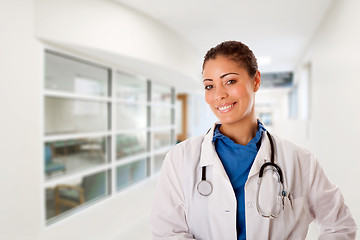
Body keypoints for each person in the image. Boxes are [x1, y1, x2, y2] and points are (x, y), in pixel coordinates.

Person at [150, 41, 357, 239]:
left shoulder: (299, 160)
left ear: (256, 80)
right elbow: (167, 232)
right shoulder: (180, 158)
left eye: (230, 81)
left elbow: (340, 225)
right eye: (209, 86)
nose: (219, 95)